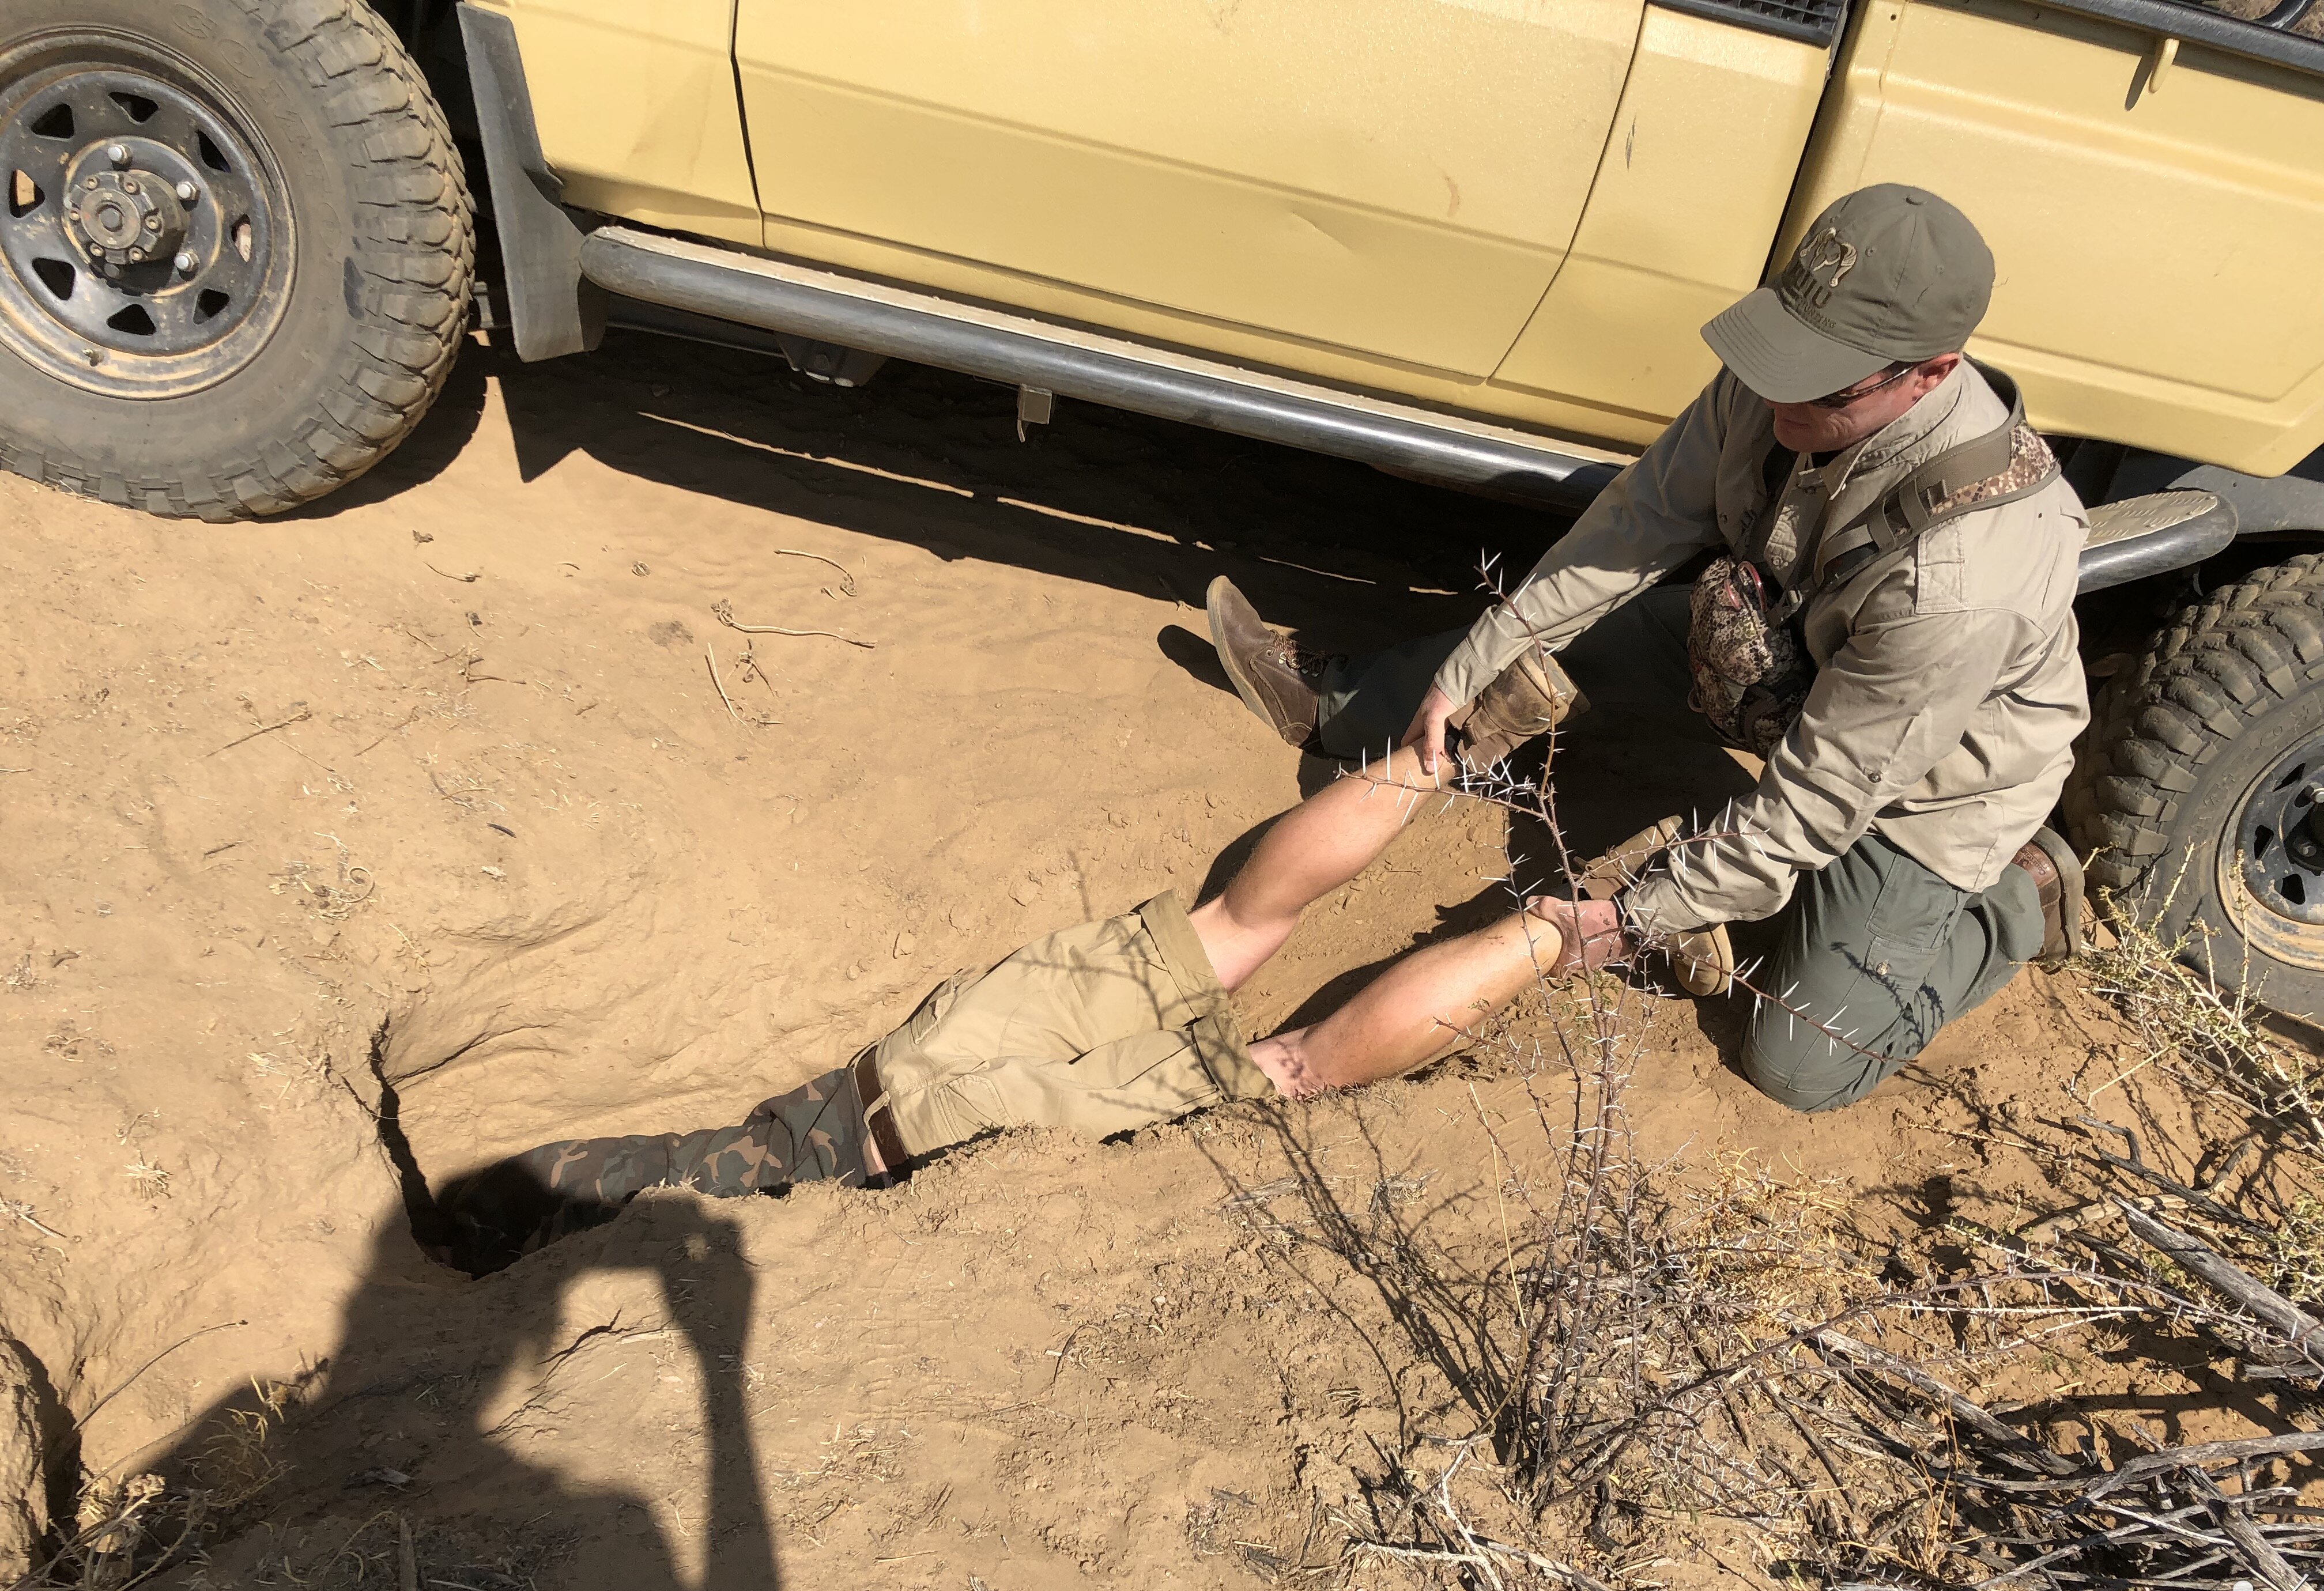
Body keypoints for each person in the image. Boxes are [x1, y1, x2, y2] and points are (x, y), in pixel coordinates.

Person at [1206, 183, 2091, 1113]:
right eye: (1780, 350)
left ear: (1929, 371)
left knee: (1797, 1062)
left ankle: (2019, 898)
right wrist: (1467, 672)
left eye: (1821, 380)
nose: (1780, 391)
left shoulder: (1962, 578)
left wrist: (1635, 916)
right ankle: (1350, 701)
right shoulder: (1783, 382)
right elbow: (1629, 534)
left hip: (1927, 784)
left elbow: (1823, 797)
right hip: (1781, 658)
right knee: (1543, 655)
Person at [436, 703, 1648, 1252]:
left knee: (1288, 1050)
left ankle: (1560, 919)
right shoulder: (669, 1172)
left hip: (921, 1113)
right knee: (1230, 936)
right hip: (901, 1081)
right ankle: (1452, 757)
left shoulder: (699, 1189)